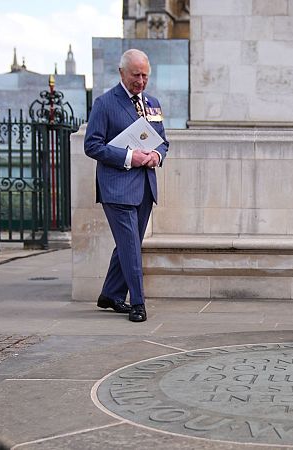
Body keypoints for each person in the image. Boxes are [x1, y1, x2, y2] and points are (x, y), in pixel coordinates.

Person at [84, 49, 168, 323]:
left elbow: (162, 142)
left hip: (145, 186)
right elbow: (92, 145)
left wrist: (156, 155)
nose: (141, 81)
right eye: (136, 75)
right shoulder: (104, 103)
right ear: (122, 72)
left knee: (126, 244)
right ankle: (138, 303)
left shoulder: (152, 103)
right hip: (117, 188)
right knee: (131, 246)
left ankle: (110, 294)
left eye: (145, 75)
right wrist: (131, 156)